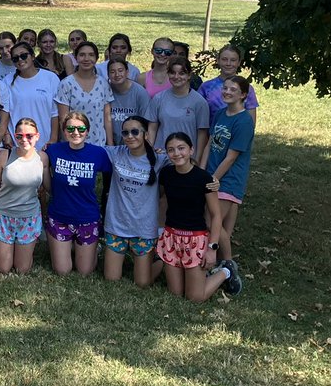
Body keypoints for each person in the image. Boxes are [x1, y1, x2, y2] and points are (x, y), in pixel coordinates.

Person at [157, 131, 240, 302]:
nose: (177, 153)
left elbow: (216, 216)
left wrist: (212, 248)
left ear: (191, 150)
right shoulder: (166, 174)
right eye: (171, 150)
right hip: (171, 237)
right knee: (176, 294)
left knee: (195, 298)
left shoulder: (204, 179)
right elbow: (162, 199)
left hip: (195, 241)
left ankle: (226, 272)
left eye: (181, 148)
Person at [42, 110, 112, 276]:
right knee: (62, 270)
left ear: (87, 131)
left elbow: (110, 178)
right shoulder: (53, 151)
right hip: (59, 216)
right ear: (64, 131)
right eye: (70, 129)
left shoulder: (98, 153)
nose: (76, 133)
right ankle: (70, 244)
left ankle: (89, 247)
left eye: (81, 129)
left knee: (85, 271)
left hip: (87, 217)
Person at [103, 116, 164, 287]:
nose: (130, 136)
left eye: (135, 132)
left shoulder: (159, 159)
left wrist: (213, 181)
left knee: (143, 283)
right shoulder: (116, 153)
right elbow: (88, 150)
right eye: (125, 132)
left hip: (143, 228)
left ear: (145, 135)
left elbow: (187, 165)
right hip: (117, 226)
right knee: (111, 279)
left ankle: (165, 260)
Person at [203, 76, 256, 272]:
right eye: (225, 88)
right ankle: (218, 263)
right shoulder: (219, 114)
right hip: (212, 174)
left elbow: (231, 157)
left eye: (233, 89)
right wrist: (201, 172)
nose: (227, 92)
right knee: (218, 223)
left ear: (243, 95)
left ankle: (228, 264)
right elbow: (209, 143)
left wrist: (213, 179)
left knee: (211, 221)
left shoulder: (244, 122)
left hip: (229, 179)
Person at [0, 116, 45, 275]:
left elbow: (48, 188)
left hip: (28, 217)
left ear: (37, 136)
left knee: (22, 269)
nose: (24, 139)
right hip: (3, 216)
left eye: (29, 136)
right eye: (19, 136)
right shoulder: (5, 155)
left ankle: (24, 248)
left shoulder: (43, 158)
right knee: (4, 269)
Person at [150, 57, 211, 165]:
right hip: (161, 156)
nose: (176, 77)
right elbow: (152, 128)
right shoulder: (159, 98)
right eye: (172, 73)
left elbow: (202, 134)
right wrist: (150, 151)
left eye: (182, 73)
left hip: (186, 159)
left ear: (189, 75)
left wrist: (197, 160)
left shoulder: (199, 102)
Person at [57, 41, 114, 146]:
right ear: (76, 58)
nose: (86, 59)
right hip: (74, 144)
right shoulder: (66, 84)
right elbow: (63, 119)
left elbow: (107, 117)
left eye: (91, 55)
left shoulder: (103, 84)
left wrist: (110, 144)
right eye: (82, 55)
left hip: (98, 144)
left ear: (96, 58)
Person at [6, 43, 61, 145]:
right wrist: (7, 136)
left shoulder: (51, 78)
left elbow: (55, 113)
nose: (20, 60)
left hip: (46, 143)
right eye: (15, 58)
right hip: (19, 143)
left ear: (33, 56)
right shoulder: (7, 82)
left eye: (23, 55)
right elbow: (5, 114)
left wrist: (53, 139)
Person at [199, 43, 259, 122]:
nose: (228, 63)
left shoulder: (247, 88)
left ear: (239, 63)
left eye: (233, 60)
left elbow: (251, 122)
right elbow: (199, 117)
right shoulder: (206, 87)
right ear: (218, 61)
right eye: (224, 59)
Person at [106, 58, 154, 145]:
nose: (117, 74)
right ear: (108, 75)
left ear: (127, 72)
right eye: (112, 72)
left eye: (120, 71)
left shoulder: (139, 92)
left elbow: (147, 122)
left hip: (134, 142)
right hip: (111, 142)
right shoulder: (105, 90)